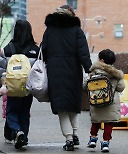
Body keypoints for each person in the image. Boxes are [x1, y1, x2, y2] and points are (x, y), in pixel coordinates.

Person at [41, 5, 92, 151]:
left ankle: (69, 138)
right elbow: (83, 53)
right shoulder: (76, 30)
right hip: (73, 70)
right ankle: (75, 133)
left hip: (55, 70)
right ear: (71, 14)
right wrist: (90, 70)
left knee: (61, 107)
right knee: (73, 104)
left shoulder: (49, 30)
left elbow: (43, 51)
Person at [0, 20, 39, 149]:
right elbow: (38, 72)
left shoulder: (7, 49)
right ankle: (23, 135)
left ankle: (17, 130)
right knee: (24, 112)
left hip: (11, 89)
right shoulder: (35, 50)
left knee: (11, 112)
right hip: (27, 89)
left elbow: (0, 72)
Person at [86, 49, 125, 152]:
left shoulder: (93, 72)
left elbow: (85, 85)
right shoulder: (116, 74)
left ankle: (93, 138)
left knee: (96, 121)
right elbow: (121, 87)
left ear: (101, 60)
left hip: (96, 101)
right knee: (108, 123)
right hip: (110, 103)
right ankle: (106, 143)